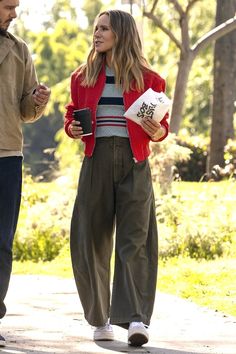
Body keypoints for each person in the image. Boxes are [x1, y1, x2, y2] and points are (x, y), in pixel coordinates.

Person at [64, 9, 169, 347]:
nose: (97, 33)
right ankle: (100, 318)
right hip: (95, 160)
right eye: (96, 28)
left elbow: (162, 125)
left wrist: (158, 131)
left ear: (121, 33)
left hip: (134, 161)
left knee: (134, 241)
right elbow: (71, 116)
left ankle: (136, 318)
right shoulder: (82, 77)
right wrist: (72, 127)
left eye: (104, 28)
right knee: (90, 238)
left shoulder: (149, 79)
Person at [0, 0, 51, 347]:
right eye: (7, 6)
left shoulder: (20, 50)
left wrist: (37, 100)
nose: (14, 14)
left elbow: (25, 110)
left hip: (6, 154)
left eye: (15, 7)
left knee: (1, 243)